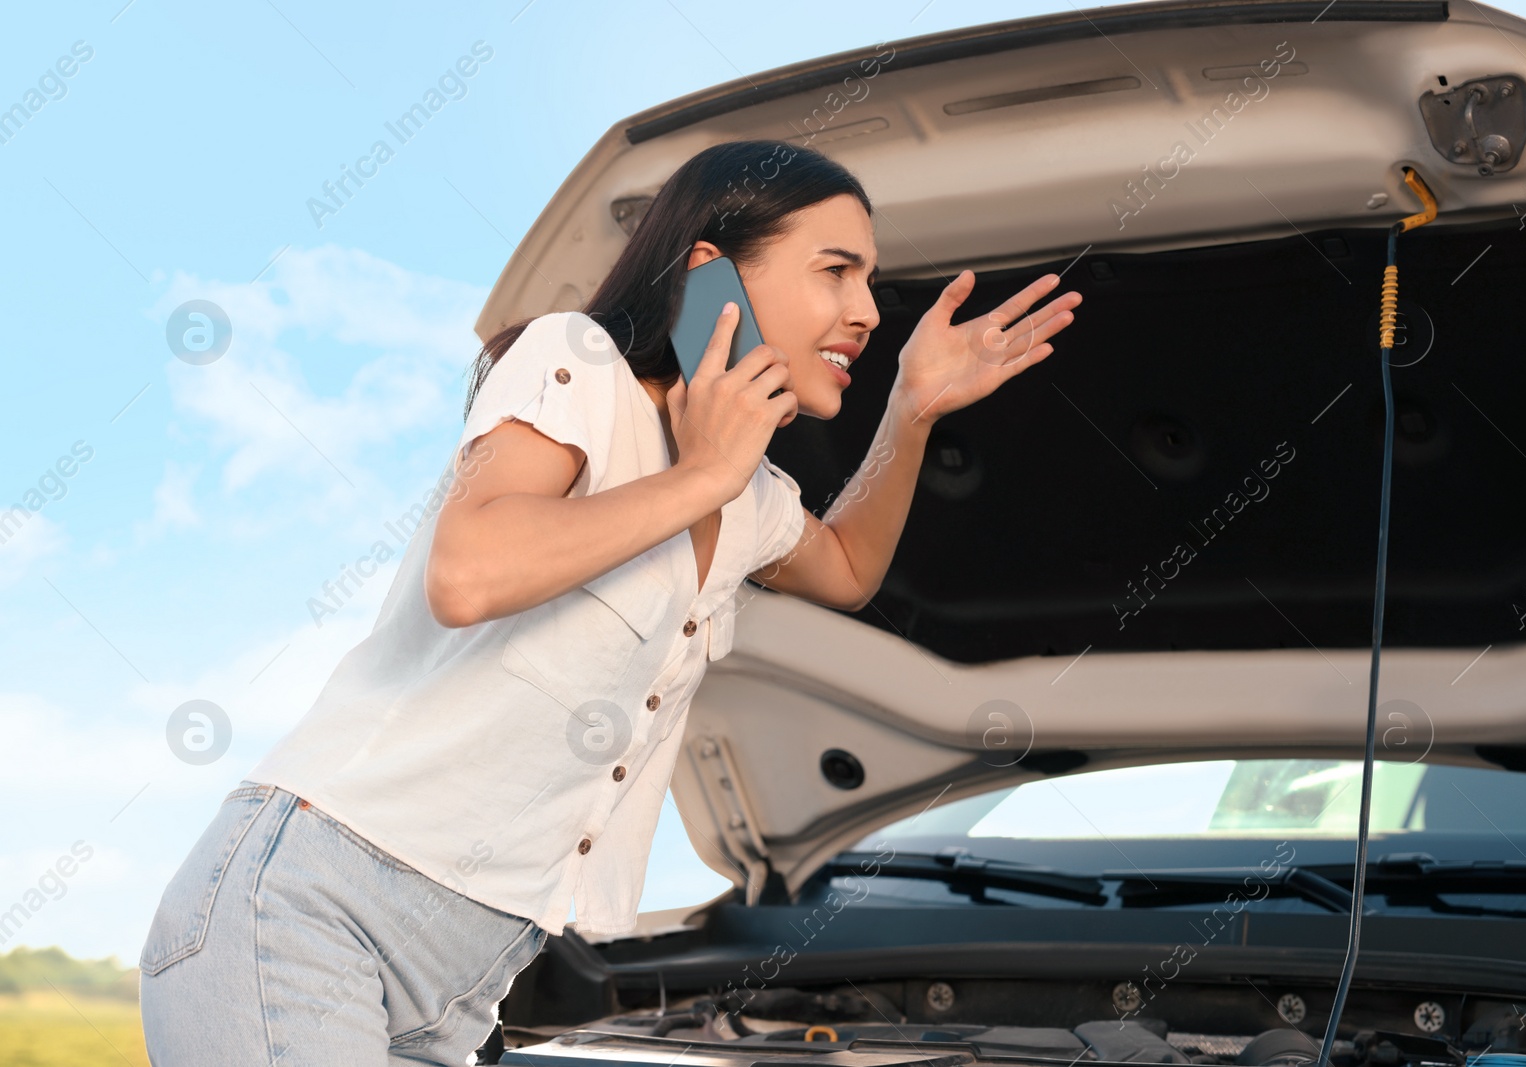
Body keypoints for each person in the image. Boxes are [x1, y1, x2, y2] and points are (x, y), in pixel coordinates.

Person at [138, 139, 1082, 1065]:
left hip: (461, 992)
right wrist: (705, 471)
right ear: (713, 276)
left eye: (868, 280)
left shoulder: (751, 499)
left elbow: (844, 567)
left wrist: (911, 410)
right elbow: (467, 572)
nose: (868, 311)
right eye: (836, 271)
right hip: (308, 917)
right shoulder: (578, 363)